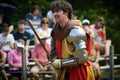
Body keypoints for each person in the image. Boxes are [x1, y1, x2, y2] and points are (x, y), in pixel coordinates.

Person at [50, 1, 95, 80]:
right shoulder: (55, 32)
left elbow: (81, 58)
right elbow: (54, 54)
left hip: (78, 72)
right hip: (63, 72)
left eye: (57, 11)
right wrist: (54, 62)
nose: (54, 14)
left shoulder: (76, 31)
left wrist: (60, 63)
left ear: (66, 12)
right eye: (53, 12)